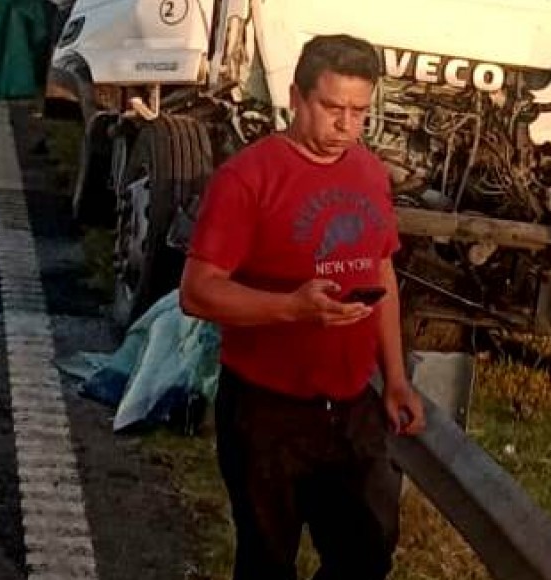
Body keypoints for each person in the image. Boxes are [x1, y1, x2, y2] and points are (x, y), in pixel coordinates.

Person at [180, 33, 426, 580]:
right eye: (332, 107)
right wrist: (292, 308)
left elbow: (381, 270)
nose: (346, 124)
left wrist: (396, 378)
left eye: (359, 111)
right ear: (296, 97)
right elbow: (197, 291)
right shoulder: (246, 178)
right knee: (268, 560)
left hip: (349, 404)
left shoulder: (368, 171)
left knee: (367, 552)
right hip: (266, 409)